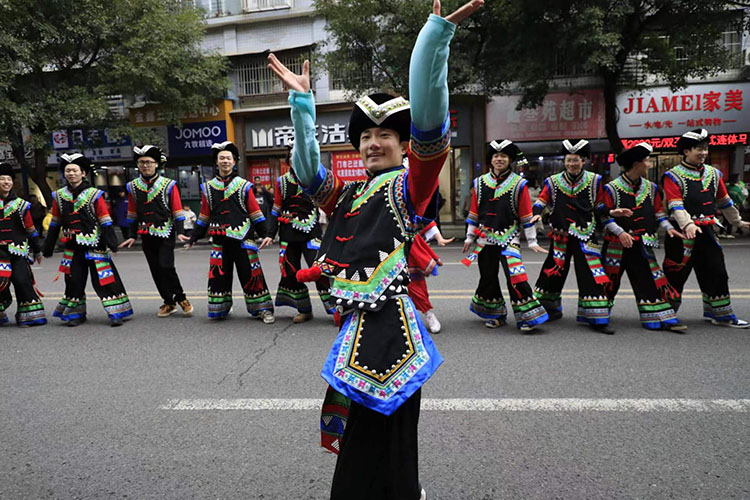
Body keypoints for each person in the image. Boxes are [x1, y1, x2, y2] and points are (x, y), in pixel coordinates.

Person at [268, 1, 483, 498]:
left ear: (403, 145)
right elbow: (306, 171)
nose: (372, 143)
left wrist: (435, 37)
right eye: (365, 135)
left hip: (392, 332)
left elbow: (430, 124)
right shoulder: (344, 195)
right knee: (369, 433)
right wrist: (303, 107)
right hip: (355, 327)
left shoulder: (411, 188)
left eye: (385, 134)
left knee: (385, 432)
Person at [661, 128, 750, 328]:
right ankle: (666, 315)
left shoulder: (714, 173)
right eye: (697, 149)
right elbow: (675, 205)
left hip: (707, 232)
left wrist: (737, 222)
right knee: (675, 273)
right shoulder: (672, 176)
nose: (703, 153)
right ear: (685, 151)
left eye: (705, 148)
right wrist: (688, 224)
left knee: (716, 271)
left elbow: (724, 201)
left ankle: (721, 315)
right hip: (680, 234)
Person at [597, 142, 686, 332]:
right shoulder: (611, 188)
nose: (649, 164)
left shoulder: (652, 188)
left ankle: (656, 316)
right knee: (609, 281)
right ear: (636, 164)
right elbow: (603, 216)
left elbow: (658, 212)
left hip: (642, 242)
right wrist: (620, 232)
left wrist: (668, 228)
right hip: (616, 244)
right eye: (646, 161)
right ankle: (599, 317)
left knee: (651, 279)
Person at [463, 139, 549, 332]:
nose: (499, 159)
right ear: (490, 159)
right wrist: (469, 238)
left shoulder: (519, 184)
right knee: (488, 277)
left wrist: (532, 241)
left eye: (503, 156)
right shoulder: (479, 183)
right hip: (484, 239)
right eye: (496, 156)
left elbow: (526, 214)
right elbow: (474, 212)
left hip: (510, 238)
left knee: (516, 277)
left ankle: (526, 317)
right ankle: (496, 315)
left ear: (509, 159)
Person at [186, 141, 275, 323]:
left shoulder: (244, 186)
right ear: (216, 162)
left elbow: (255, 212)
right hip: (219, 240)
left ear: (234, 162)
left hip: (244, 239)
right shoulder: (208, 188)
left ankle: (262, 309)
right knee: (219, 277)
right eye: (222, 158)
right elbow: (204, 216)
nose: (225, 161)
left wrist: (266, 233)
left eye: (228, 158)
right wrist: (193, 237)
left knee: (252, 275)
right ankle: (221, 309)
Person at [532, 139, 614, 334]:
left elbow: (600, 205)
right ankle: (548, 309)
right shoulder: (552, 181)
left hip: (586, 236)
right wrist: (536, 211)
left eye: (575, 160)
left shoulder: (595, 181)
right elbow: (542, 200)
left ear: (583, 160)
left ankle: (596, 318)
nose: (571, 164)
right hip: (560, 235)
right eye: (568, 160)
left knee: (590, 274)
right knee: (552, 271)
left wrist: (611, 212)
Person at [42, 153, 133, 327]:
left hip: (95, 244)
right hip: (71, 246)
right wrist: (48, 246)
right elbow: (55, 222)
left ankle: (116, 312)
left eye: (75, 170)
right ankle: (76, 314)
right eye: (68, 170)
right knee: (73, 279)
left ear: (83, 173)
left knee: (104, 278)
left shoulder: (94, 194)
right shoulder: (59, 196)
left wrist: (112, 243)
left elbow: (105, 220)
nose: (71, 174)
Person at [119, 145, 193, 318]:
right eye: (142, 162)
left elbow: (177, 210)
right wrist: (131, 235)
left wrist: (180, 231)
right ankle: (168, 302)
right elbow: (131, 213)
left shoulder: (168, 185)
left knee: (166, 266)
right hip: (146, 234)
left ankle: (181, 297)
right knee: (155, 269)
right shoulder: (132, 186)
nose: (145, 165)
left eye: (149, 162)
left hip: (166, 232)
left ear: (156, 164)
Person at [268, 141, 334, 323]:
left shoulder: (315, 179)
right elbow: (275, 209)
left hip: (312, 232)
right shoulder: (281, 182)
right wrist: (269, 233)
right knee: (290, 270)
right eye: (291, 157)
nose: (295, 160)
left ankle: (336, 308)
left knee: (319, 269)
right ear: (288, 161)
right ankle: (303, 309)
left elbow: (328, 202)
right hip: (288, 234)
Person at [0, 163, 46, 327]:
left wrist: (37, 250)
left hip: (18, 250)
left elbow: (31, 229)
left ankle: (28, 316)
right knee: (1, 283)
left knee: (22, 280)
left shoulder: (21, 205)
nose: (6, 182)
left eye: (9, 179)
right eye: (2, 179)